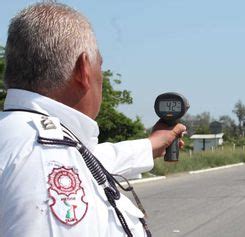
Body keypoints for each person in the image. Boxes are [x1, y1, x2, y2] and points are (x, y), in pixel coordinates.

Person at [0, 2, 186, 237]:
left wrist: (150, 145)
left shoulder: (19, 136)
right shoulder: (46, 157)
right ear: (83, 69)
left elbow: (88, 161)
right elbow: (61, 165)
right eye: (100, 64)